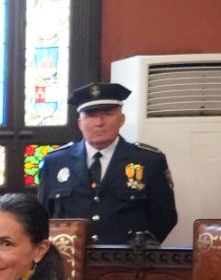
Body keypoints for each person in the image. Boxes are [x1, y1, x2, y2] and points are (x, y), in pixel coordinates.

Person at [37, 82, 178, 245]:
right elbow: (43, 217)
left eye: (107, 114)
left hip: (128, 262)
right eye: (90, 115)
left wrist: (139, 248)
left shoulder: (149, 161)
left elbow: (165, 217)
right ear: (80, 123)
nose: (99, 123)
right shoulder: (54, 162)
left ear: (121, 119)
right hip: (69, 259)